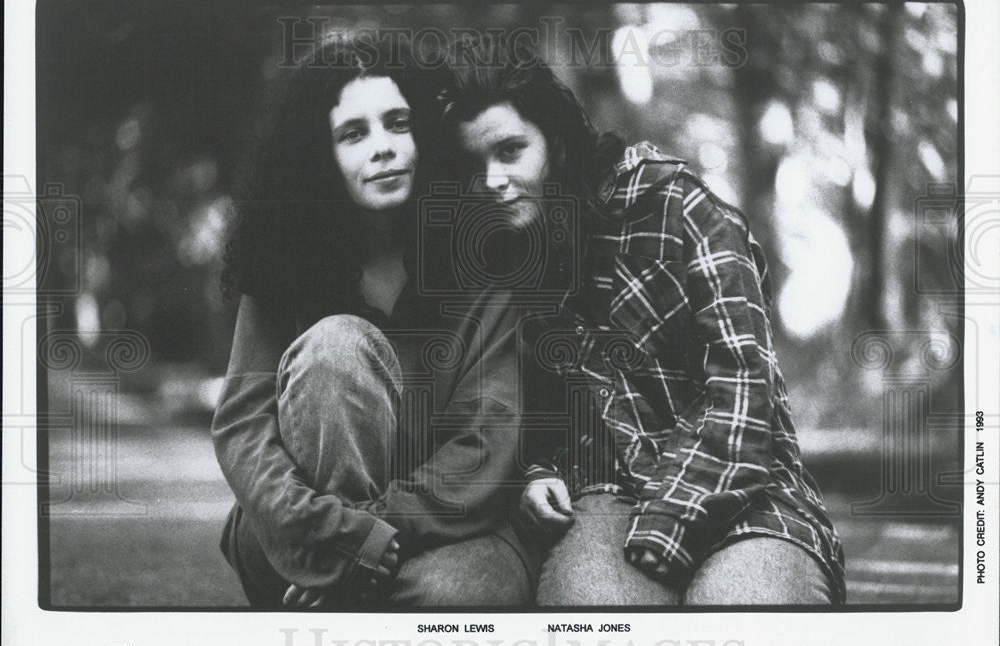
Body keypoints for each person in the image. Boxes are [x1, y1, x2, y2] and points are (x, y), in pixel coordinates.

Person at [438, 35, 846, 606]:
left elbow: (745, 390)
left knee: (747, 619)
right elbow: (520, 409)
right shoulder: (502, 260)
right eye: (473, 163)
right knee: (599, 628)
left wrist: (672, 522)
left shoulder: (678, 208)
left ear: (555, 142)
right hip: (605, 497)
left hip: (744, 489)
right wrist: (533, 474)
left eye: (510, 151)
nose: (492, 181)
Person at [213, 34, 534, 609]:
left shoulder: (482, 261)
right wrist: (329, 533)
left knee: (468, 591)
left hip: (441, 529)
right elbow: (243, 427)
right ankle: (344, 586)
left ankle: (339, 596)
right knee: (336, 345)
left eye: (398, 123)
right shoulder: (281, 263)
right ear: (319, 154)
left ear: (426, 135)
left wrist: (369, 536)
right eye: (354, 134)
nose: (382, 148)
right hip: (299, 530)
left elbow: (485, 441)